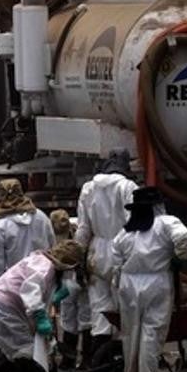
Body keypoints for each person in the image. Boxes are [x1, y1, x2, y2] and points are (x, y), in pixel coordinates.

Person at [0, 239, 86, 372]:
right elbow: (31, 291)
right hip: (2, 307)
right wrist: (40, 317)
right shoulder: (44, 267)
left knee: (15, 349)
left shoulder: (41, 262)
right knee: (25, 349)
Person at [112, 187, 187, 372]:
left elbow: (115, 261)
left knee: (130, 333)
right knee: (152, 332)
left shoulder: (126, 230)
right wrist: (179, 257)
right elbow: (183, 236)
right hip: (156, 281)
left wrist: (116, 285)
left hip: (128, 283)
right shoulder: (165, 223)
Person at [74, 149, 138, 359]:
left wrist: (77, 256)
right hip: (122, 252)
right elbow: (134, 223)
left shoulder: (88, 188)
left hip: (96, 252)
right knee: (123, 308)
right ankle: (120, 359)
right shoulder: (128, 187)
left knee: (99, 308)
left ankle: (97, 360)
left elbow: (83, 228)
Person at [0, 179, 53, 287]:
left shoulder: (0, 227)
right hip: (42, 281)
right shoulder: (41, 217)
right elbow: (52, 248)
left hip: (14, 288)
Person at [49, 209, 90, 370]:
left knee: (68, 321)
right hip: (81, 281)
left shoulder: (53, 236)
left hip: (68, 281)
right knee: (85, 321)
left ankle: (69, 359)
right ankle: (86, 359)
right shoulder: (78, 231)